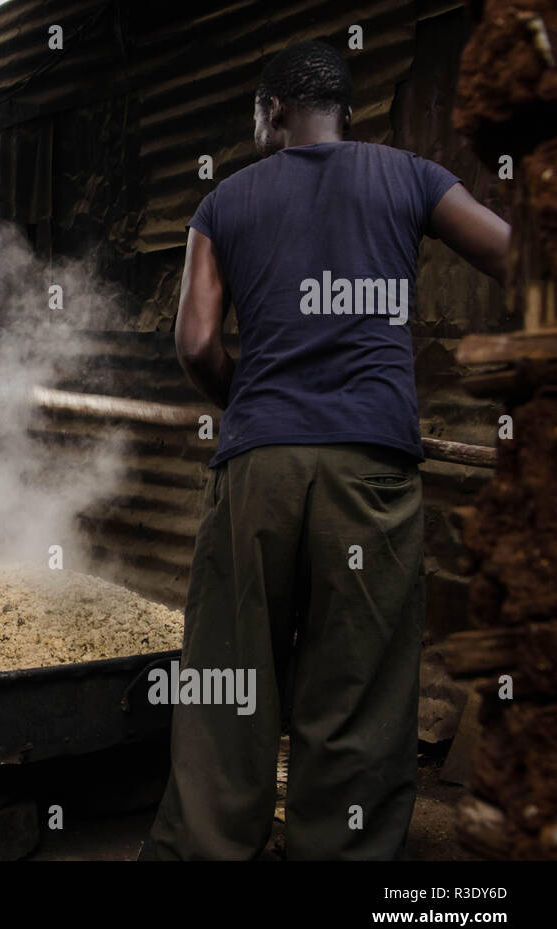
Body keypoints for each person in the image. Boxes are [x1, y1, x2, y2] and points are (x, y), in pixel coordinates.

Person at [142, 41, 510, 860]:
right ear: (341, 111)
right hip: (370, 466)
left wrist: (260, 412)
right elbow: (514, 252)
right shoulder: (411, 176)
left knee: (228, 684)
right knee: (358, 691)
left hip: (255, 467)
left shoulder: (224, 202)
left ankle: (205, 847)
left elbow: (198, 344)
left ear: (274, 110)